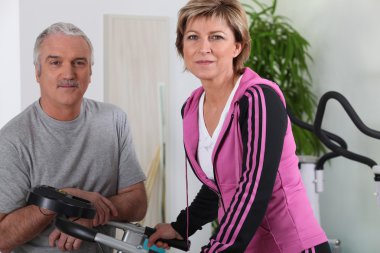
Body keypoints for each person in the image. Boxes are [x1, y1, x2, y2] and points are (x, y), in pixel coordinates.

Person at [148, 0, 331, 252]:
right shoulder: (191, 108)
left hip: (290, 245)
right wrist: (182, 226)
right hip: (246, 246)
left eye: (216, 37)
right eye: (193, 37)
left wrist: (219, 248)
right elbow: (220, 185)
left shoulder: (258, 99)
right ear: (182, 46)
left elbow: (254, 188)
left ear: (237, 46)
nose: (203, 48)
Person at [0, 22, 147, 253]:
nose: (68, 73)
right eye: (55, 62)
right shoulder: (12, 140)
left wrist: (88, 214)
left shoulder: (114, 120)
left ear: (90, 73)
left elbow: (137, 203)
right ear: (38, 72)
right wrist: (63, 198)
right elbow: (2, 237)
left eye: (79, 63)